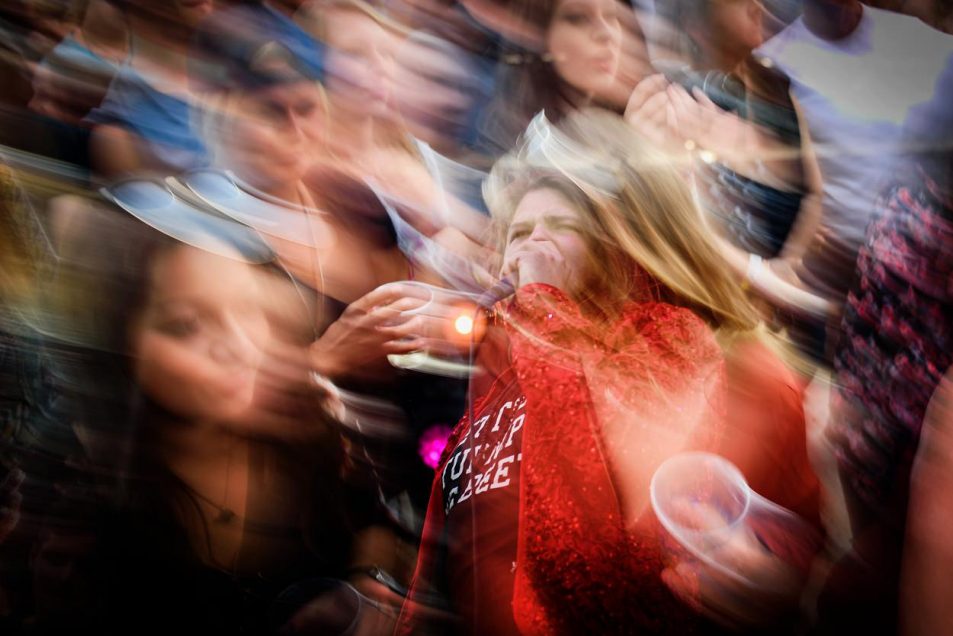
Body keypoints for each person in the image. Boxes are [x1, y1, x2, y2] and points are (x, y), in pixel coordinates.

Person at [397, 108, 822, 635]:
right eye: (520, 232)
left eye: (562, 227)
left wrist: (542, 308)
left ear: (630, 244)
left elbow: (598, 568)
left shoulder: (730, 369)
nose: (531, 250)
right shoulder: (511, 365)